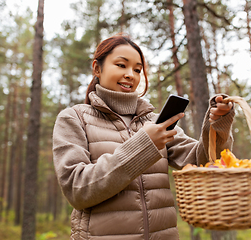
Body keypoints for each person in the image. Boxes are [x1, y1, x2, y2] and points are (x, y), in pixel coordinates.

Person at [52, 33, 234, 240]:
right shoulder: (73, 118)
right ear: (97, 68)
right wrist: (144, 145)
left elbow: (202, 161)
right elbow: (78, 189)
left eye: (137, 69)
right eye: (121, 65)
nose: (131, 74)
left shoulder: (155, 122)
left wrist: (218, 124)